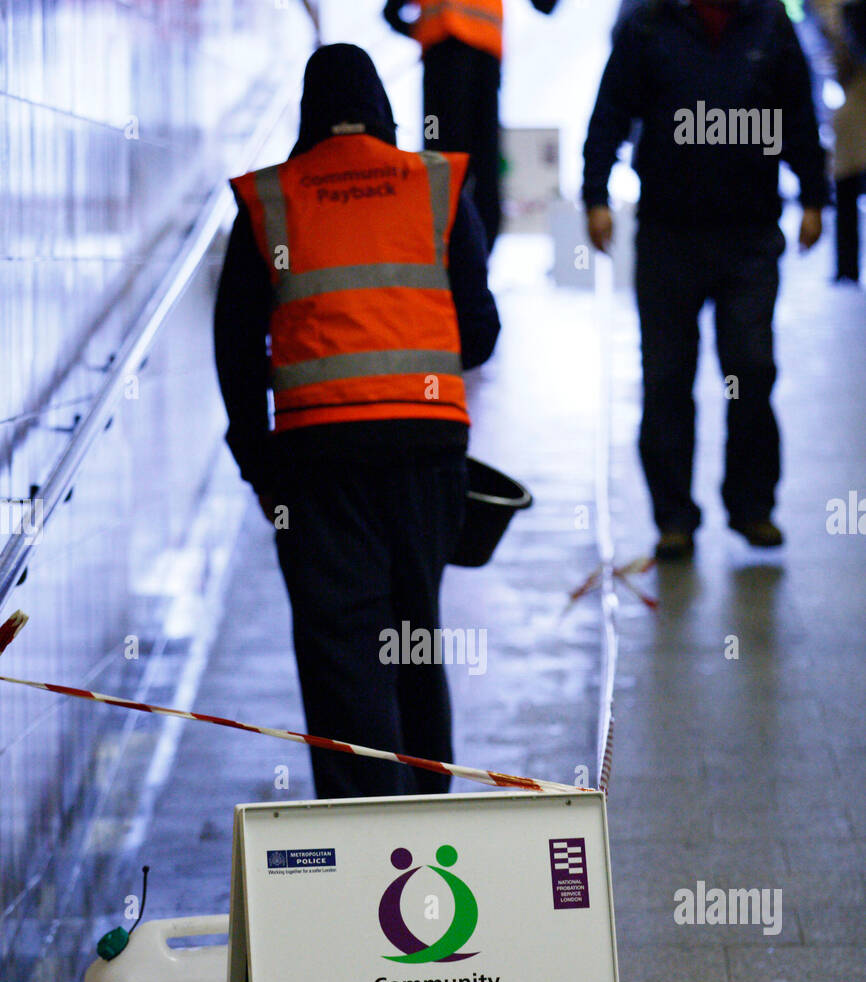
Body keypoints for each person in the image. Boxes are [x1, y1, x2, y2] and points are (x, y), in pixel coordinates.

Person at [214, 44, 499, 799]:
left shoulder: (270, 197)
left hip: (316, 464)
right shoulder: (435, 185)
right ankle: (428, 827)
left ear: (307, 115)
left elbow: (236, 350)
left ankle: (364, 846)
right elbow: (480, 331)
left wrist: (257, 463)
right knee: (414, 635)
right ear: (384, 107)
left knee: (342, 651)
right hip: (427, 453)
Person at [583, 0, 831, 559]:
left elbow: (796, 112)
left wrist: (814, 194)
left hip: (749, 233)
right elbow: (611, 112)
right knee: (667, 377)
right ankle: (674, 519)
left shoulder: (768, 23)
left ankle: (752, 508)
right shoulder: (647, 23)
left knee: (750, 368)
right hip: (669, 233)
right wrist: (595, 193)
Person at [383, 0, 560, 254]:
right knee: (471, 165)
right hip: (468, 64)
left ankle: (458, 257)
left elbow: (390, 13)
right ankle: (467, 258)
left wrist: (419, 31)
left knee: (444, 162)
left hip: (447, 65)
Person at [810, 0, 866, 280]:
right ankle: (846, 269)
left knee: (846, 192)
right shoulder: (845, 13)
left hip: (854, 114)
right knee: (845, 192)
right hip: (853, 116)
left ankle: (847, 269)